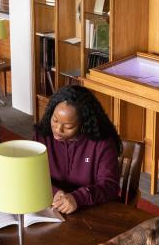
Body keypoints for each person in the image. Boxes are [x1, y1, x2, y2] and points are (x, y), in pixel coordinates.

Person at [32, 85, 120, 214]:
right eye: (55, 120)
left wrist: (78, 198)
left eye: (68, 126)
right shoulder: (42, 136)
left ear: (84, 124)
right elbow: (32, 175)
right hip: (52, 209)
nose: (57, 129)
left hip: (93, 211)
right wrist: (54, 192)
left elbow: (110, 185)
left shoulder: (102, 143)